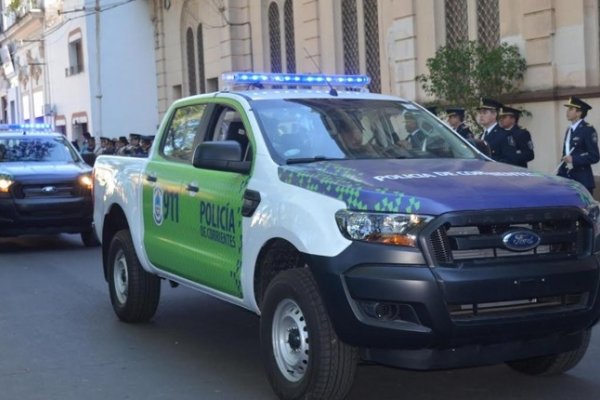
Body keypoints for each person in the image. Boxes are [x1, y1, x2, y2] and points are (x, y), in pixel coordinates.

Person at [557, 96, 600, 194]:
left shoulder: (588, 130)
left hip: (582, 181)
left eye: (571, 109)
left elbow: (594, 156)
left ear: (579, 113)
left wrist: (574, 159)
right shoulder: (569, 130)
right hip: (568, 179)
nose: (567, 112)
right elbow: (565, 154)